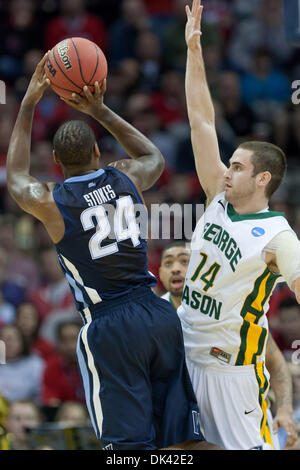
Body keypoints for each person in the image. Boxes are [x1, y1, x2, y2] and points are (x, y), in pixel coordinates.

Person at [6, 53, 216, 450]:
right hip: (156, 312)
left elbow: (16, 177)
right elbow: (153, 157)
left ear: (55, 161)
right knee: (183, 439)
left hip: (110, 326)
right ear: (98, 154)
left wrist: (29, 103)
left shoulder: (52, 202)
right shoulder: (126, 177)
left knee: (126, 449)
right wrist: (101, 110)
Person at [181, 0, 300, 450]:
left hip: (232, 374)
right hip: (184, 354)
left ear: (262, 178)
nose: (226, 171)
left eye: (237, 167)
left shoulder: (279, 236)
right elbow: (201, 119)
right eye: (228, 165)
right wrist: (195, 50)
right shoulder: (217, 196)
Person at [159, 240, 298, 449]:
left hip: (242, 414)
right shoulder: (156, 316)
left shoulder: (231, 307)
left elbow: (276, 364)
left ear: (200, 266)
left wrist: (285, 409)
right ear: (159, 272)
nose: (176, 268)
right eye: (168, 263)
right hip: (192, 421)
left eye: (185, 261)